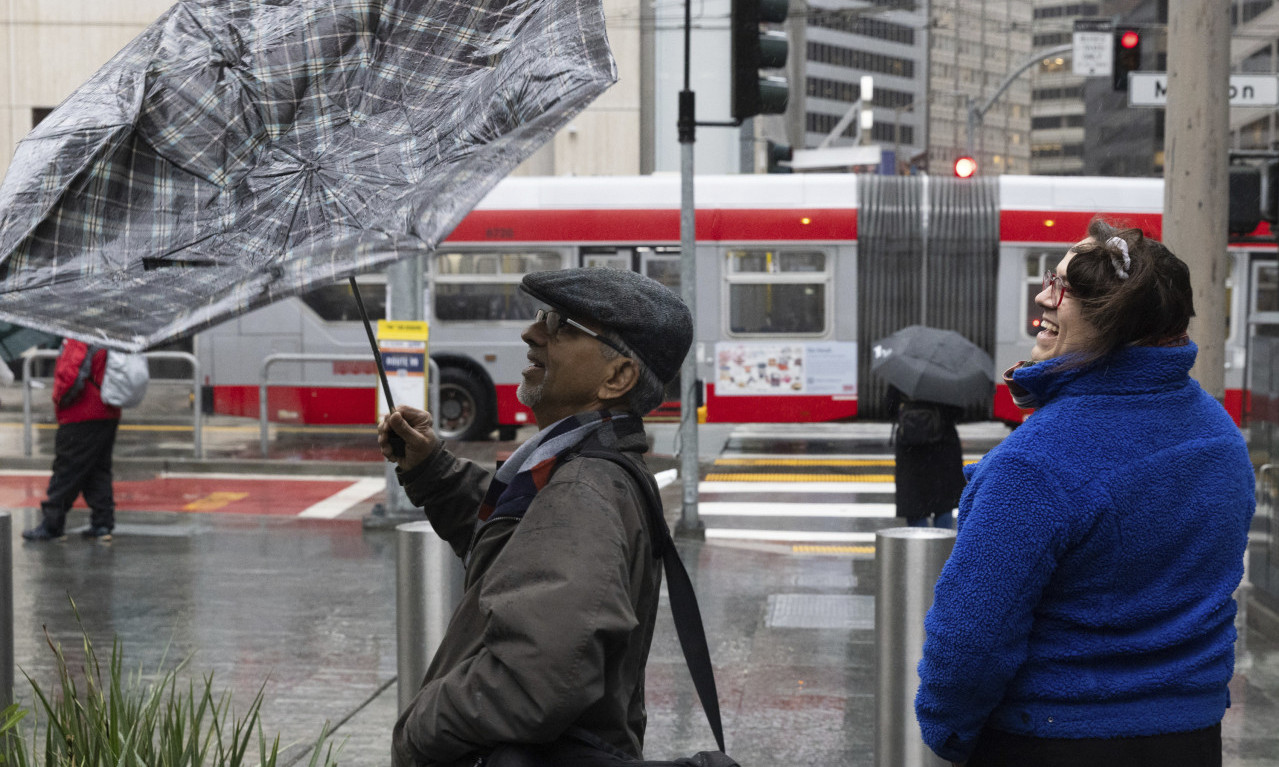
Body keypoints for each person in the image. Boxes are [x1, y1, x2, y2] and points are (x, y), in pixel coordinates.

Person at [915, 219, 1254, 766]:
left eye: (1067, 288)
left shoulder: (1035, 463)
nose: (1044, 295)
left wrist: (948, 733)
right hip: (1192, 736)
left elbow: (968, 644)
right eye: (1052, 277)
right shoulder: (1218, 434)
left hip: (1051, 737)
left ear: (1120, 321)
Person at [380, 268, 693, 767]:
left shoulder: (582, 486)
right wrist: (434, 471)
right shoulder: (582, 463)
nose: (532, 332)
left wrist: (417, 727)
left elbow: (540, 678)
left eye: (562, 324)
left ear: (618, 377)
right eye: (543, 316)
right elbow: (522, 544)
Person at [23, 339, 121, 542]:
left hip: (81, 414)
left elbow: (70, 376)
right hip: (108, 411)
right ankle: (102, 524)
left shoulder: (79, 338)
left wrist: (59, 399)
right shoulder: (107, 337)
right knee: (98, 470)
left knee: (66, 471)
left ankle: (52, 525)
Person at [888, 385, 963, 528]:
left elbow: (890, 408)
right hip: (943, 447)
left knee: (915, 506)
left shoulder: (904, 371)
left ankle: (920, 549)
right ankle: (942, 548)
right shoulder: (947, 375)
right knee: (943, 505)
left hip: (911, 449)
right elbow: (958, 413)